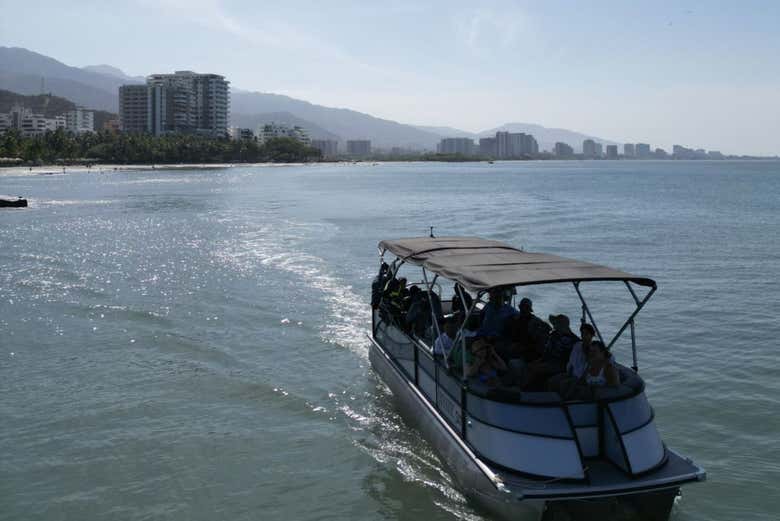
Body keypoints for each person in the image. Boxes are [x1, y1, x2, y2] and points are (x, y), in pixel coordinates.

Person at [523, 314, 579, 390]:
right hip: (550, 361)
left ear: (561, 325)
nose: (554, 326)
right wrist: (539, 361)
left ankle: (526, 390)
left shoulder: (574, 340)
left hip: (561, 365)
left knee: (534, 368)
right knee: (529, 365)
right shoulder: (554, 335)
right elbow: (547, 352)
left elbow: (567, 359)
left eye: (556, 324)